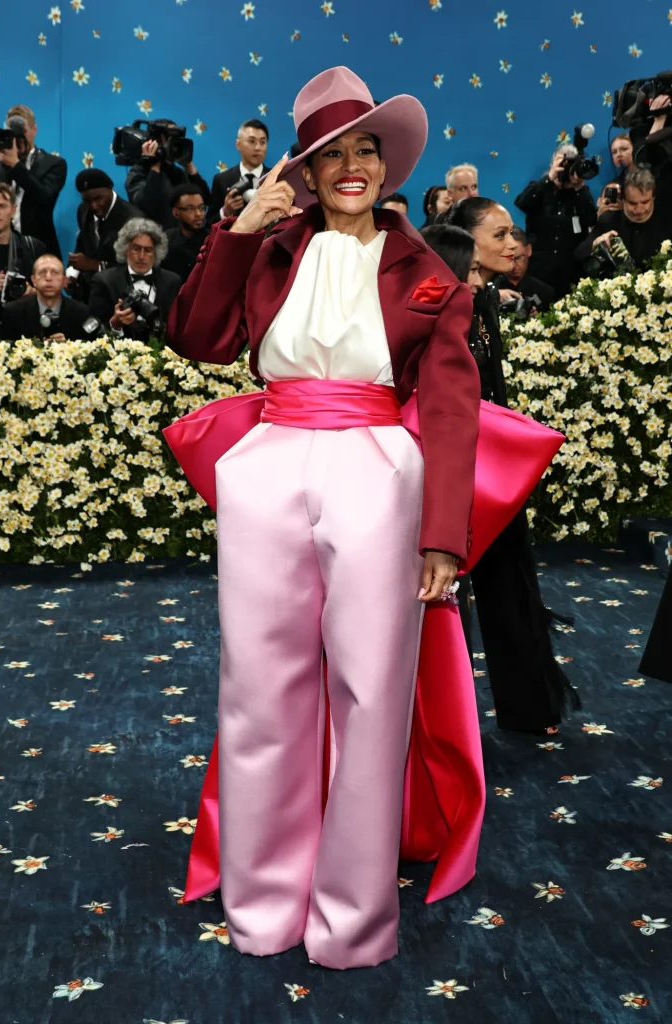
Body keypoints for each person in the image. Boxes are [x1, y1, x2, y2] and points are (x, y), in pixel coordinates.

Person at [167, 65, 483, 970]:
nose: (352, 167)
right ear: (304, 170)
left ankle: (352, 921)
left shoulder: (430, 272)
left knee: (371, 697)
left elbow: (451, 407)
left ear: (387, 165)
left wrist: (442, 535)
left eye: (366, 151)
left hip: (378, 475)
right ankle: (262, 907)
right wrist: (235, 234)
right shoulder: (266, 249)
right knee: (258, 689)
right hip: (267, 465)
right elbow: (198, 338)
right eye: (332, 153)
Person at [442, 196, 579, 735]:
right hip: (448, 467)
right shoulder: (441, 299)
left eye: (513, 234)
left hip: (493, 465)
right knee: (447, 597)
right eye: (499, 235)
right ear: (466, 239)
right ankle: (444, 724)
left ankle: (529, 708)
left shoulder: (486, 298)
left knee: (511, 579)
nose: (513, 244)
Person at [514, 143, 597, 298]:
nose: (568, 169)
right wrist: (549, 179)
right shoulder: (540, 188)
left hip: (570, 272)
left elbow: (591, 219)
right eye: (564, 164)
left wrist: (579, 188)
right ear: (553, 164)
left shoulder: (581, 194)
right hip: (538, 271)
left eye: (572, 165)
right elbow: (522, 203)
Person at [0, 104, 67, 257]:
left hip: (39, 247)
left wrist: (15, 165)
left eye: (21, 132)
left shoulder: (54, 164)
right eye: (12, 133)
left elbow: (45, 197)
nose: (18, 139)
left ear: (34, 130)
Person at [88, 217, 181, 340]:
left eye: (148, 250)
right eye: (136, 249)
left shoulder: (172, 282)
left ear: (156, 252)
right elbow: (93, 331)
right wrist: (115, 324)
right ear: (126, 249)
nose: (141, 256)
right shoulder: (104, 281)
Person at [67, 169, 141, 301]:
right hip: (90, 295)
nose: (94, 206)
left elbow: (138, 264)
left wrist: (95, 265)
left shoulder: (133, 220)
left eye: (98, 199)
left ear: (109, 189)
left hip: (120, 297)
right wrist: (72, 273)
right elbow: (83, 244)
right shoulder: (83, 210)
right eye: (87, 201)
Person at [575, 167, 671, 269]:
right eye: (632, 203)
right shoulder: (608, 220)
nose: (639, 209)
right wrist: (595, 243)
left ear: (653, 198)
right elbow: (578, 255)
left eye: (645, 202)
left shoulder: (667, 219)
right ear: (623, 200)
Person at [125, 119, 210, 230]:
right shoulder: (138, 172)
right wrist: (155, 164)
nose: (174, 144)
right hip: (153, 236)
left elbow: (205, 200)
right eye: (169, 138)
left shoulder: (178, 173)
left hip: (180, 237)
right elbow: (145, 206)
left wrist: (189, 165)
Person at [0, 182, 45, 334]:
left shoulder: (34, 247)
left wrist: (34, 293)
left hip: (23, 334)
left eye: (1, 206)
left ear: (13, 210)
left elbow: (53, 295)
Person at [1, 253, 90, 341]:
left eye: (55, 273)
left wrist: (67, 346)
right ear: (33, 280)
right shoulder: (13, 312)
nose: (48, 278)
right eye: (42, 272)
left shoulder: (81, 313)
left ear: (64, 280)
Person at [207, 119, 271, 223]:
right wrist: (226, 212)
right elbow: (209, 224)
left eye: (262, 142)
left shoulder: (277, 178)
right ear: (238, 145)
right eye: (252, 141)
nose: (258, 148)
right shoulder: (221, 180)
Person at [494, 226, 555, 308]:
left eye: (518, 258)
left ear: (528, 250)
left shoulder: (545, 292)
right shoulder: (488, 288)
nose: (513, 265)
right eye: (508, 258)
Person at [163, 184, 209, 282]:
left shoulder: (212, 240)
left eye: (201, 208)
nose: (198, 214)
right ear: (175, 212)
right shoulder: (165, 241)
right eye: (190, 209)